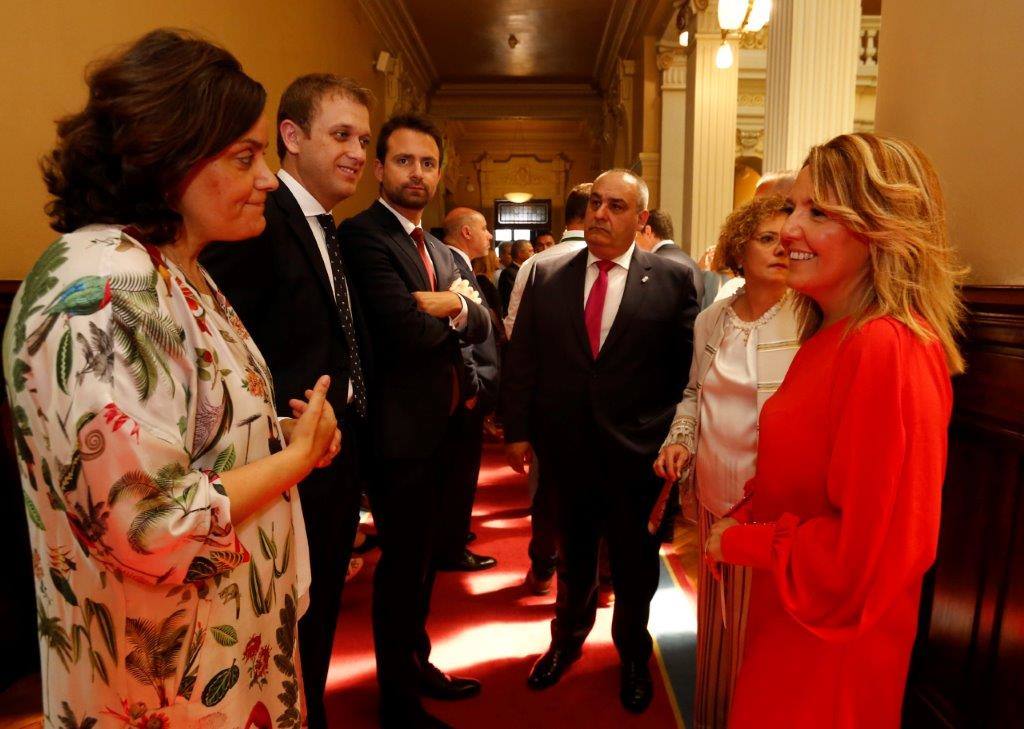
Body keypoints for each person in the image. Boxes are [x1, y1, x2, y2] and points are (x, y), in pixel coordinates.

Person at [2, 29, 340, 726]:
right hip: (166, 681)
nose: (268, 179)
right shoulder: (106, 284)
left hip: (223, 650)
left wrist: (280, 437)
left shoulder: (178, 271)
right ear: (166, 158)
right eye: (245, 156)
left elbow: (184, 427)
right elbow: (151, 524)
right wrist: (296, 461)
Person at [706, 133, 964, 727]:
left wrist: (741, 541)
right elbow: (806, 478)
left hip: (834, 639)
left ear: (882, 227)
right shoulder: (832, 333)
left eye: (817, 211)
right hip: (793, 614)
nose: (790, 228)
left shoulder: (886, 346)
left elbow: (867, 555)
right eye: (795, 206)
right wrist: (744, 516)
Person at [201, 73, 373, 729]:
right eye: (341, 135)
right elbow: (229, 346)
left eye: (362, 138)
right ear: (292, 137)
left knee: (319, 611)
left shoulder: (331, 229)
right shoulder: (258, 222)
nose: (357, 151)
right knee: (288, 626)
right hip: (273, 469)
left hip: (330, 454)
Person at [502, 169, 698, 713]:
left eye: (615, 206)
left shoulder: (673, 279)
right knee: (575, 556)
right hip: (567, 450)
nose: (598, 214)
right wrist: (517, 430)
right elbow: (523, 359)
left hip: (639, 456)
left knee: (635, 566)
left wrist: (670, 439)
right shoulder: (550, 275)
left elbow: (685, 371)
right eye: (593, 203)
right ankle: (565, 641)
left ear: (641, 220)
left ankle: (633, 654)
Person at [341, 114, 490, 729]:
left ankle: (417, 663)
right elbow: (401, 332)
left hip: (447, 428)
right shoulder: (364, 236)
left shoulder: (436, 249)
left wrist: (456, 305)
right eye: (405, 161)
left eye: (428, 164)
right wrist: (461, 311)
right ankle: (396, 699)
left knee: (427, 562)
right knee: (402, 568)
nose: (418, 174)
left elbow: (486, 324)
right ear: (380, 169)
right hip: (401, 435)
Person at [653, 195, 799, 729]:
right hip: (716, 490)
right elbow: (694, 393)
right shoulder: (714, 318)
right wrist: (680, 440)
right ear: (739, 247)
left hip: (775, 504)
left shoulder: (810, 317)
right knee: (716, 626)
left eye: (788, 240)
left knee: (760, 632)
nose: (782, 249)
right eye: (767, 239)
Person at [502, 182, 591, 595]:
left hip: (548, 405)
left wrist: (517, 424)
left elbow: (514, 335)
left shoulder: (536, 265)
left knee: (547, 494)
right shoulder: (542, 267)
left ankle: (544, 567)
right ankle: (599, 579)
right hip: (590, 412)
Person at [436, 207, 500, 572]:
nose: (490, 235)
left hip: (470, 387)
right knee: (460, 472)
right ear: (464, 232)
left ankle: (455, 532)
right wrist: (473, 385)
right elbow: (460, 335)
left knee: (461, 469)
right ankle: (452, 544)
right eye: (484, 229)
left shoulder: (460, 264)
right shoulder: (452, 266)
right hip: (466, 389)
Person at [636, 209, 704, 306]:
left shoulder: (651, 266)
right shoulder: (694, 265)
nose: (635, 243)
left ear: (648, 232)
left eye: (636, 236)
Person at [498, 240, 533, 316]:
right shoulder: (509, 273)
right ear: (520, 254)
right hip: (515, 316)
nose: (533, 254)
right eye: (530, 251)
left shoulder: (525, 269)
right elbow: (517, 297)